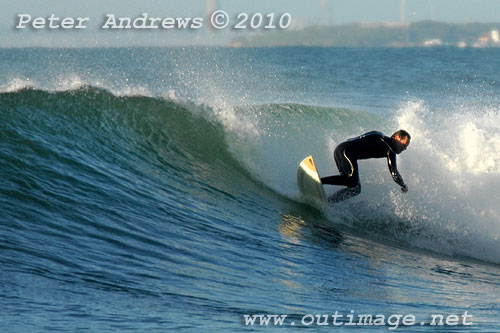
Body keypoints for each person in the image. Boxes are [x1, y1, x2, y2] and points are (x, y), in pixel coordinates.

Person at [321, 130, 410, 203]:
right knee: (352, 181)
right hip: (346, 152)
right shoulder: (390, 149)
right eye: (404, 145)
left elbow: (352, 139)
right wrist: (403, 185)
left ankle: (329, 201)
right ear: (397, 138)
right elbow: (394, 173)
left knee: (355, 188)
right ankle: (319, 181)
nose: (405, 148)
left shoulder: (379, 135)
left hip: (340, 149)